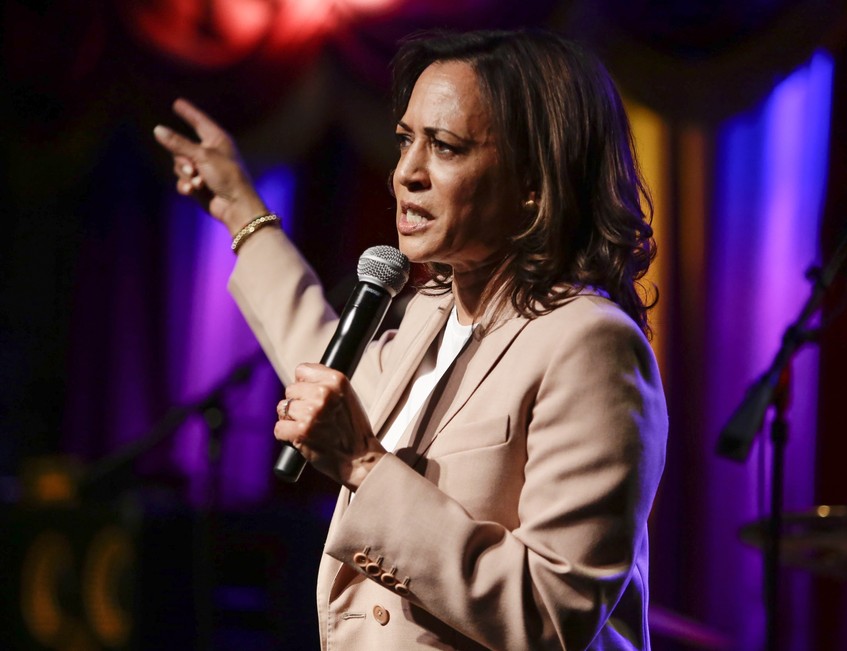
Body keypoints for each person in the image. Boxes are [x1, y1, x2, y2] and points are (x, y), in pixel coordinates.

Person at [154, 29, 667, 651]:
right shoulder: (430, 312)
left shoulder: (588, 344)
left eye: (445, 147)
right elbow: (323, 360)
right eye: (404, 141)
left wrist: (362, 467)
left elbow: (554, 614)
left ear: (534, 182)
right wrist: (241, 211)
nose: (405, 174)